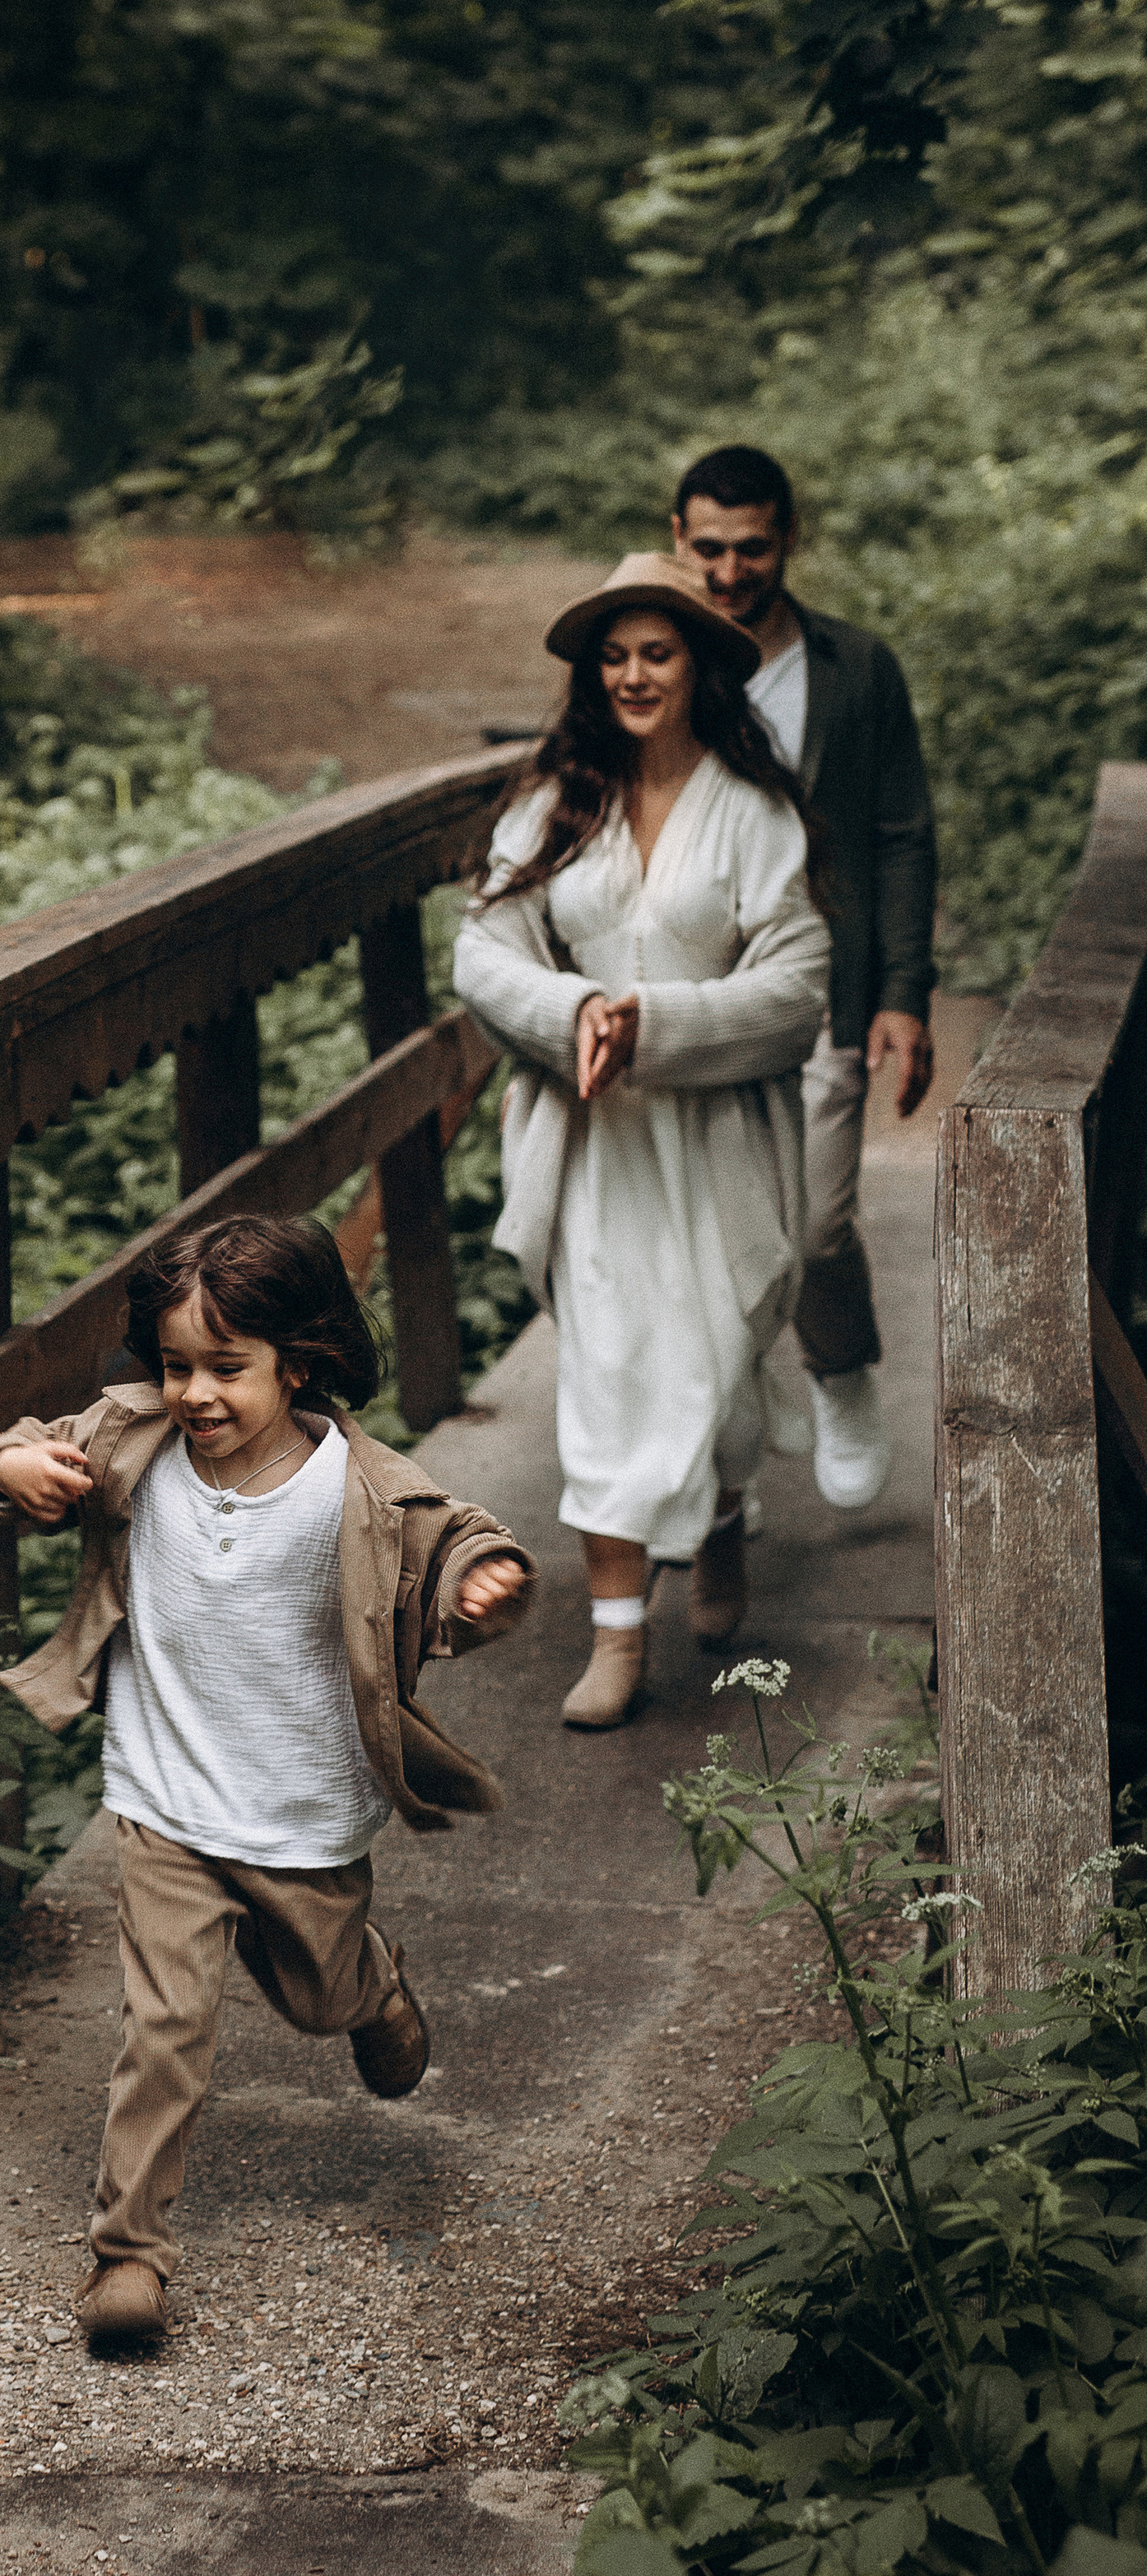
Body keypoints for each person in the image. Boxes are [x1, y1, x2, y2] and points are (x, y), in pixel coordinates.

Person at [0, 1214, 532, 2346]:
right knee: (164, 2027)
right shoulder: (130, 1441)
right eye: (177, 1366)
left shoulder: (359, 1489)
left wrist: (483, 1579)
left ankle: (370, 1986)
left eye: (227, 1367)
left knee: (317, 2000)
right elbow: (8, 1458)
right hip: (164, 1795)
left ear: (299, 1362)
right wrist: (10, 1468)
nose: (195, 1393)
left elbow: (454, 1539)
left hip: (302, 1804)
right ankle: (128, 2257)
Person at [452, 552, 832, 1729]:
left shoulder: (755, 813)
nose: (632, 675)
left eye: (656, 653)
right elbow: (483, 952)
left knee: (721, 1360)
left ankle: (721, 1523)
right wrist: (572, 1011)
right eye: (612, 657)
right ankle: (618, 1633)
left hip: (719, 1138)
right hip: (594, 1142)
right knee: (611, 1372)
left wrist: (656, 1023)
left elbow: (799, 984)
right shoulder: (554, 806)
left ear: (700, 666)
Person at [672, 446, 940, 1510]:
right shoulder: (658, 658)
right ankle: (723, 1454)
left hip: (827, 976)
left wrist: (905, 992)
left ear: (788, 538)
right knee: (706, 1228)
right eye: (710, 548)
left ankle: (840, 1372)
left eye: (752, 548)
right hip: (696, 987)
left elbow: (902, 831)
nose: (729, 571)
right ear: (679, 537)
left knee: (817, 1222)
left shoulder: (856, 668)